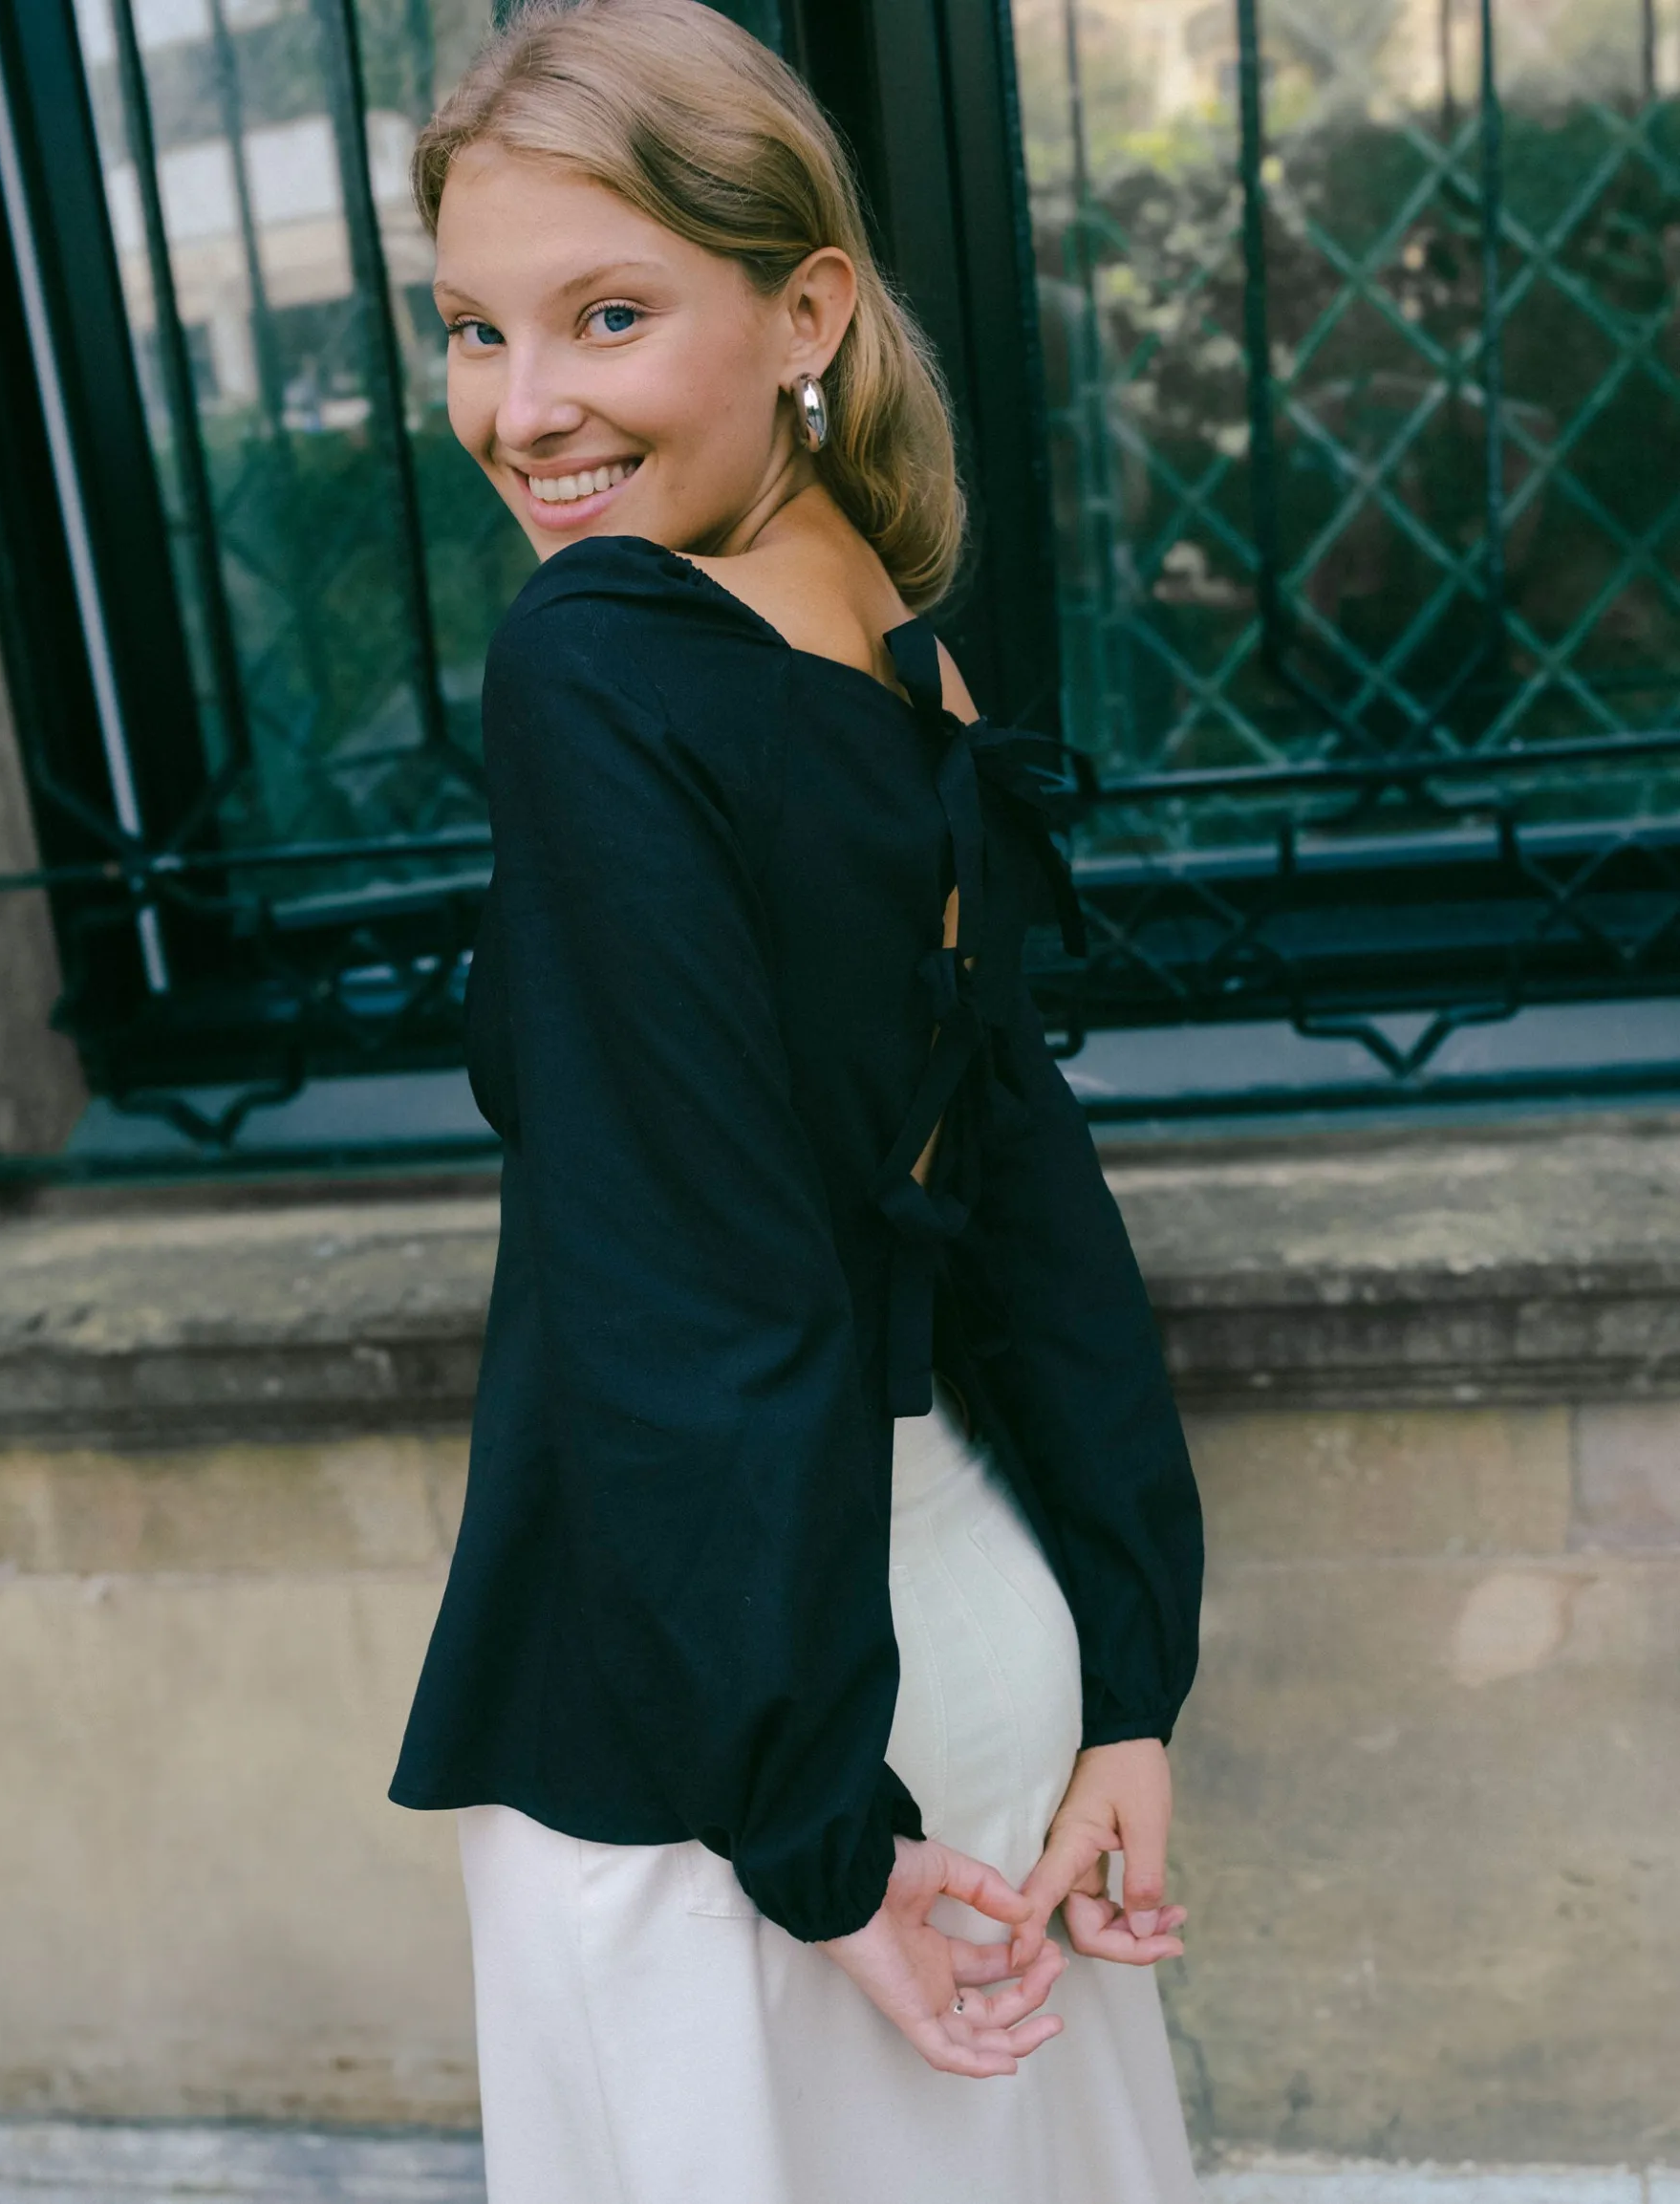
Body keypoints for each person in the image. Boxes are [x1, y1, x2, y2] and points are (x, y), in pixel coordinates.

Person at [388, 3, 1206, 2196]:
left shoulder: (601, 663)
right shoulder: (906, 658)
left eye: (609, 315)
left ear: (809, 310)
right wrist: (1131, 1676)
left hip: (725, 1727)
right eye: (473, 328)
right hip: (982, 1638)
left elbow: (696, 1291)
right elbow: (1032, 1203)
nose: (522, 410)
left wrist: (816, 1832)